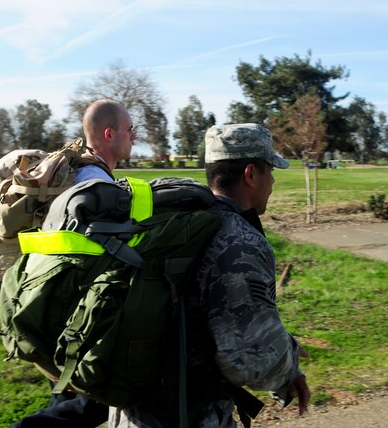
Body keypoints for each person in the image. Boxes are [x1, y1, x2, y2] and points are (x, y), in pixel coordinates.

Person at [109, 123, 310, 427]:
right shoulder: (239, 241)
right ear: (251, 174)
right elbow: (244, 355)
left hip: (132, 411)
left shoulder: (183, 222)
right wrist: (288, 369)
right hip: (188, 413)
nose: (273, 181)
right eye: (270, 170)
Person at [13, 98, 136, 428]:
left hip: (57, 303)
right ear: (109, 134)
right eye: (129, 129)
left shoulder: (82, 172)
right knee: (92, 403)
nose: (134, 136)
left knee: (68, 391)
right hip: (75, 309)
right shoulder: (95, 185)